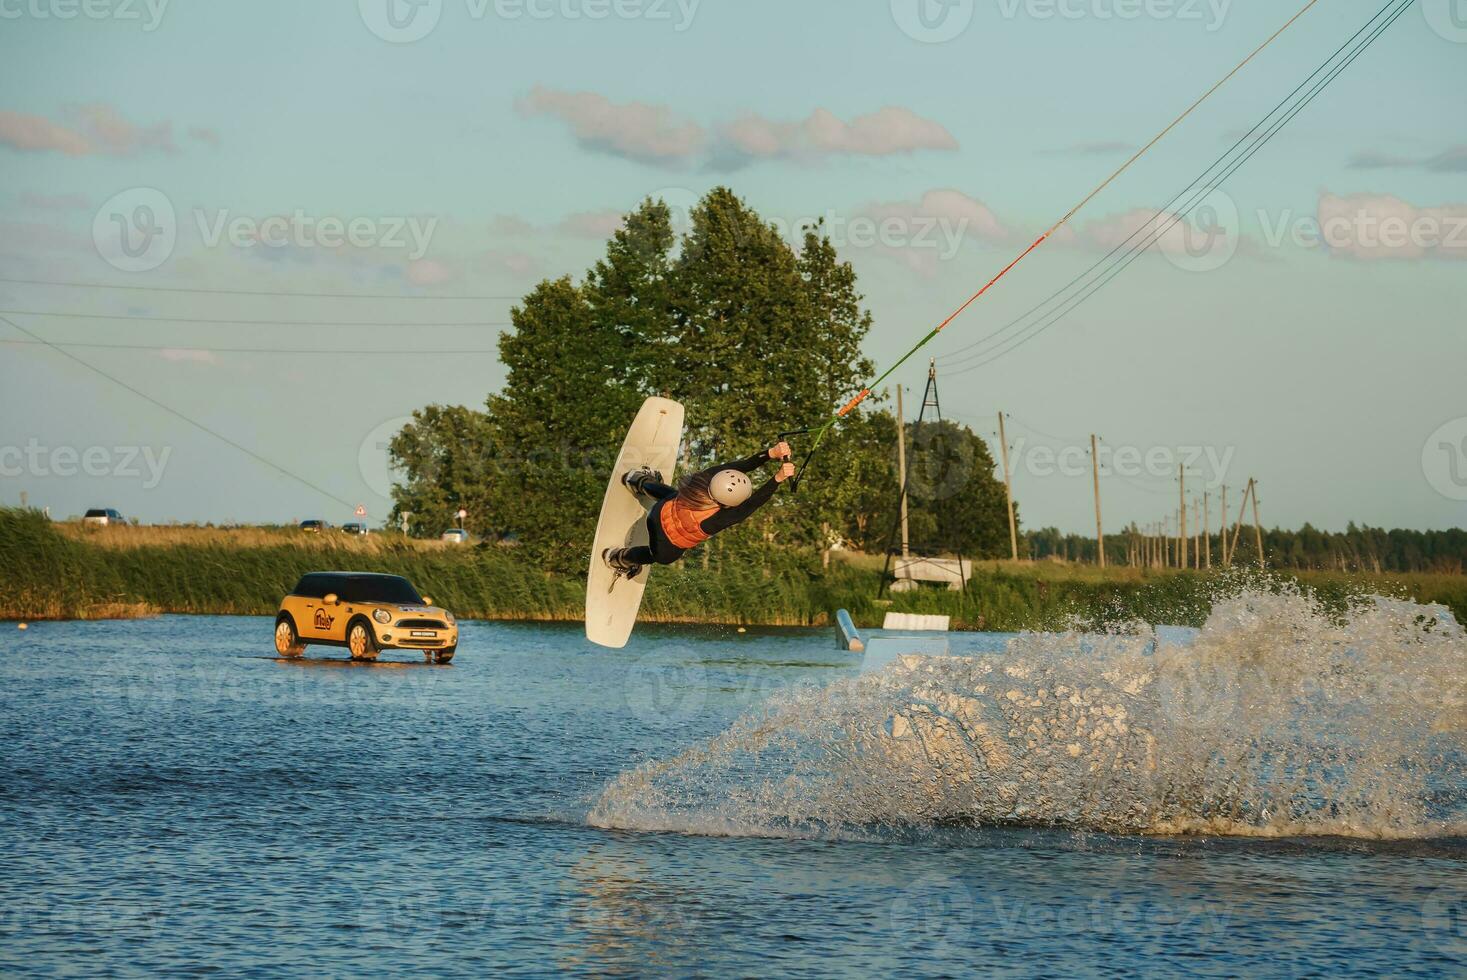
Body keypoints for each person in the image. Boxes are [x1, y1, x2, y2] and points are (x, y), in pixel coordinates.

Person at [603, 442, 796, 577]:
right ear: (731, 503)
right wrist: (777, 479)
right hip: (666, 541)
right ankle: (617, 558)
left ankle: (638, 481)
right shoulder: (718, 519)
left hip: (658, 512)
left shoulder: (707, 478)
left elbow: (741, 465)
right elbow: (753, 503)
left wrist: (770, 453)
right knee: (660, 558)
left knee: (675, 494)